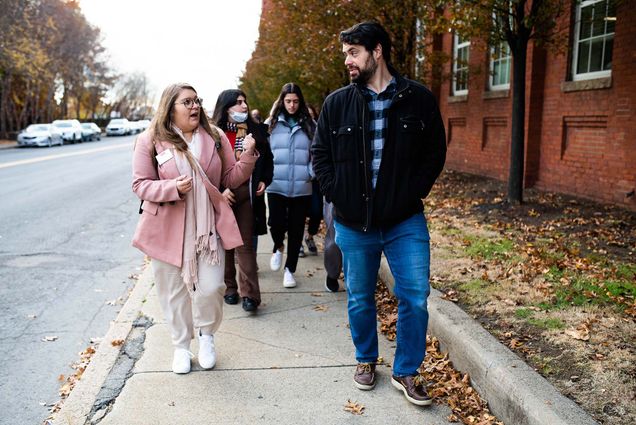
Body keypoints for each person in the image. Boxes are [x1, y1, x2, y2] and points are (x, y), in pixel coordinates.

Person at [312, 22, 446, 406]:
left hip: (405, 220)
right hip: (354, 222)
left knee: (416, 295)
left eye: (353, 52)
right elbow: (320, 155)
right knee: (359, 297)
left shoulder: (418, 98)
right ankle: (366, 359)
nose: (348, 61)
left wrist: (412, 192)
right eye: (345, 54)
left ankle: (406, 370)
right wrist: (338, 194)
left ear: (377, 51)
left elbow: (434, 152)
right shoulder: (337, 103)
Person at [132, 83, 258, 374]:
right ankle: (180, 346)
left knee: (212, 286)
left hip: (207, 229)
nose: (194, 106)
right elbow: (140, 184)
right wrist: (172, 187)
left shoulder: (213, 137)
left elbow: (230, 177)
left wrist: (248, 156)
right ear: (170, 108)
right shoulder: (150, 140)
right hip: (165, 228)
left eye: (196, 100)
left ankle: (207, 336)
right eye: (187, 102)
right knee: (173, 291)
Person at [210, 89, 273, 312]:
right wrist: (219, 191)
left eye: (245, 101)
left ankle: (251, 296)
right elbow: (206, 168)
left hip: (247, 196)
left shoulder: (255, 132)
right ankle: (230, 289)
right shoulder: (212, 134)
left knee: (245, 245)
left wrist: (265, 179)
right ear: (226, 107)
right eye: (238, 103)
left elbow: (267, 160)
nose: (244, 106)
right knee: (226, 245)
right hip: (222, 197)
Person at [266, 82, 315, 288]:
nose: (292, 105)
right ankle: (278, 246)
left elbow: (318, 152)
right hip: (276, 184)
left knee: (296, 229)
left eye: (295, 101)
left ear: (300, 102)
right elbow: (264, 152)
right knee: (275, 224)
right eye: (288, 101)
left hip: (302, 187)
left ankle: (290, 270)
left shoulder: (310, 125)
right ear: (282, 101)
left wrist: (310, 173)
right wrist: (267, 175)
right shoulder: (271, 124)